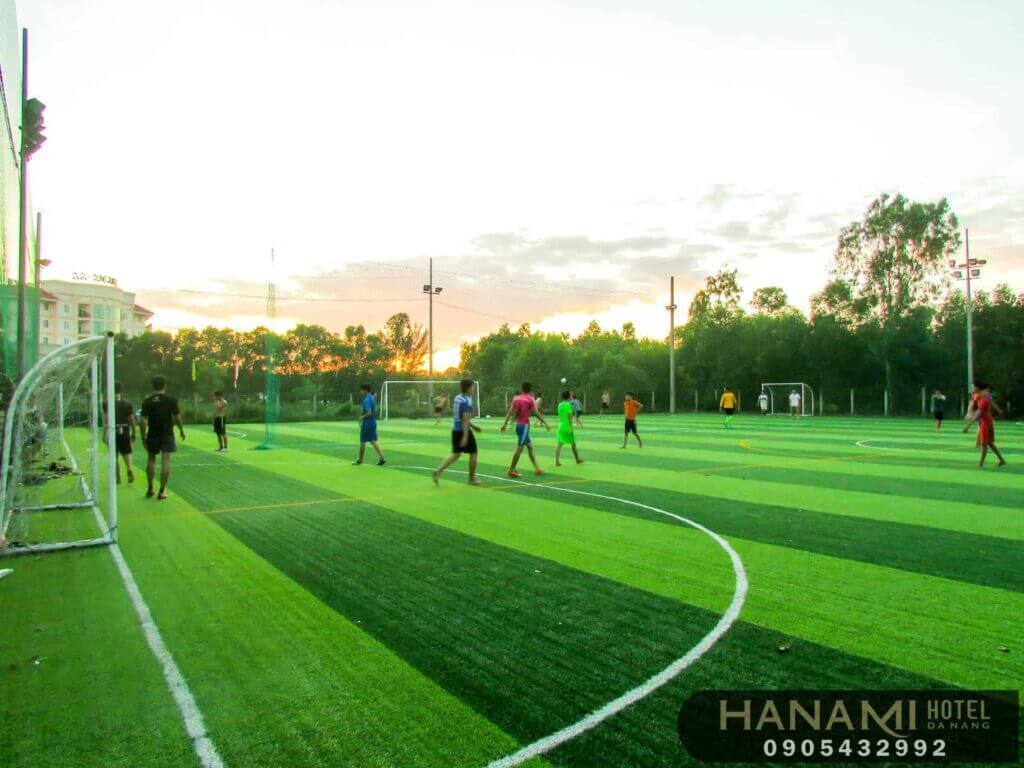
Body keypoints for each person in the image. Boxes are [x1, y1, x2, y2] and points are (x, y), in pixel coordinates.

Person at [140, 375, 186, 500]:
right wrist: (182, 431)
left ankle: (150, 488)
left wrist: (143, 436)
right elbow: (177, 417)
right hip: (167, 434)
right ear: (165, 385)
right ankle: (161, 491)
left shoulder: (147, 401)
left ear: (152, 385)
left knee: (151, 460)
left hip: (153, 434)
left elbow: (143, 420)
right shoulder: (171, 400)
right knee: (165, 461)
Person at [433, 378, 482, 485]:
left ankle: (438, 471)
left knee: (456, 454)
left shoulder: (458, 398)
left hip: (455, 430)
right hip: (463, 431)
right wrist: (465, 436)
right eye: (472, 387)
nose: (473, 389)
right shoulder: (467, 400)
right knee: (473, 452)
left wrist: (473, 426)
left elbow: (462, 418)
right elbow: (465, 419)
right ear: (469, 388)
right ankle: (472, 478)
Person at [500, 382, 548, 477]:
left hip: (518, 426)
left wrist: (504, 423)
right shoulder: (530, 399)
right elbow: (536, 412)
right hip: (525, 426)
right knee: (519, 448)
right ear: (530, 390)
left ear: (522, 389)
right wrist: (545, 422)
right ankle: (511, 470)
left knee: (530, 447)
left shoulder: (516, 398)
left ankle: (537, 468)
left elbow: (510, 411)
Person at [963, 381, 1006, 468]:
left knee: (984, 444)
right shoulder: (979, 396)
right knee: (990, 443)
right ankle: (1002, 461)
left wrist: (968, 426)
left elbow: (978, 414)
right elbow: (972, 404)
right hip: (987, 421)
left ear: (978, 388)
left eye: (973, 387)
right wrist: (969, 413)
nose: (972, 389)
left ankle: (980, 464)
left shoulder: (984, 399)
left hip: (985, 423)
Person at [109, 382, 136, 483]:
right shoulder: (127, 403)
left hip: (113, 430)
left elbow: (106, 419)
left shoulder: (108, 403)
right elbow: (131, 419)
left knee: (114, 455)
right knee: (127, 452)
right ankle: (129, 469)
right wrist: (133, 432)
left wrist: (105, 433)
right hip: (124, 429)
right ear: (121, 390)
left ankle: (118, 477)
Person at [354, 384, 386, 466]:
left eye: (361, 390)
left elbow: (369, 412)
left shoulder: (367, 400)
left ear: (365, 390)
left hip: (367, 424)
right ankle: (382, 458)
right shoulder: (372, 398)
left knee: (362, 441)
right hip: (373, 422)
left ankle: (360, 460)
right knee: (373, 441)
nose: (361, 392)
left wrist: (361, 417)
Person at [555, 390, 584, 466]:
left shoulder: (560, 405)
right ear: (569, 397)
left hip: (560, 425)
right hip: (567, 426)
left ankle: (557, 461)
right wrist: (571, 427)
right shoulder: (568, 405)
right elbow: (569, 418)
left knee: (559, 444)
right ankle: (577, 459)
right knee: (573, 444)